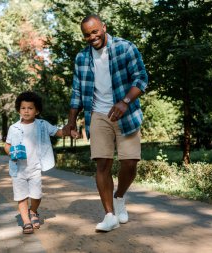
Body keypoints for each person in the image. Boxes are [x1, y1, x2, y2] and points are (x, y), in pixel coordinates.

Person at [63, 14, 148, 232]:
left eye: (94, 32)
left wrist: (125, 101)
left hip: (125, 113)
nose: (92, 37)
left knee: (130, 163)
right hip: (98, 114)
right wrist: (71, 121)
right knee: (102, 164)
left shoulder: (125, 48)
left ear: (104, 27)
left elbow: (141, 78)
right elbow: (76, 92)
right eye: (87, 35)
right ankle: (109, 215)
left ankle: (119, 197)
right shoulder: (82, 58)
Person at [4, 91, 78, 234]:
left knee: (36, 195)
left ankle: (33, 211)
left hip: (35, 168)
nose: (26, 111)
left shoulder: (43, 125)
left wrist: (70, 132)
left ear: (37, 111)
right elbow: (6, 145)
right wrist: (11, 152)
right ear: (19, 109)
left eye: (30, 108)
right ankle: (26, 221)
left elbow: (58, 132)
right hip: (18, 169)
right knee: (21, 196)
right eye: (23, 108)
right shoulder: (14, 128)